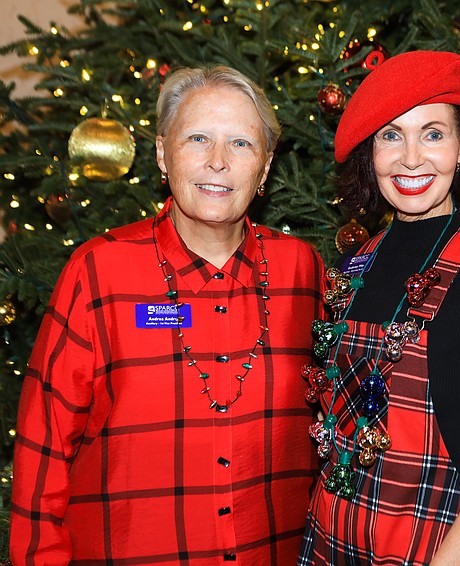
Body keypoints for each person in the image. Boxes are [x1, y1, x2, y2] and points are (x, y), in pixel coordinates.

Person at [11, 66, 323, 563]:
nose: (217, 162)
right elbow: (43, 444)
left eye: (241, 144)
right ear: (162, 152)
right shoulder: (99, 270)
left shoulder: (302, 270)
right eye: (198, 138)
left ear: (264, 169)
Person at [297, 50, 460, 565]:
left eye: (432, 133)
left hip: (436, 549)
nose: (411, 158)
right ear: (371, 152)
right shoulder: (349, 267)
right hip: (330, 541)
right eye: (391, 135)